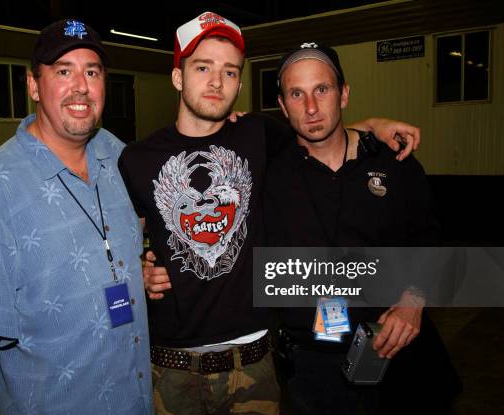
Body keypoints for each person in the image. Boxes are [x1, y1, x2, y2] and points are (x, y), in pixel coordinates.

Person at [119, 12, 421, 415]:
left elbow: (319, 128)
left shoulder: (258, 136)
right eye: (202, 67)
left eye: (229, 72)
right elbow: (118, 242)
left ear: (240, 84)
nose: (215, 82)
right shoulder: (135, 159)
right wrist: (136, 269)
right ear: (178, 77)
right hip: (171, 367)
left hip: (254, 362)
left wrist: (375, 126)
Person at [0, 20, 152, 414]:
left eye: (91, 72)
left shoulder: (118, 156)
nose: (81, 85)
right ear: (33, 86)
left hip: (134, 398)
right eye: (63, 71)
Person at [264, 42, 461, 414]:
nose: (310, 107)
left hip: (398, 353)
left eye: (322, 89)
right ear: (282, 104)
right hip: (314, 367)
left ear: (344, 94)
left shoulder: (395, 162)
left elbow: (431, 242)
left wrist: (412, 301)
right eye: (297, 93)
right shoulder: (269, 173)